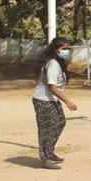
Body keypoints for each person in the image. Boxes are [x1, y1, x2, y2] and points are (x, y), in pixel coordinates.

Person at [32, 36, 77, 169]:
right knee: (47, 128)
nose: (66, 51)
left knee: (60, 122)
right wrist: (68, 102)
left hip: (52, 99)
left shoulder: (58, 62)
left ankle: (49, 151)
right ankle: (45, 158)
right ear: (56, 49)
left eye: (68, 48)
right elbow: (52, 86)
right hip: (43, 99)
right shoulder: (53, 64)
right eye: (64, 48)